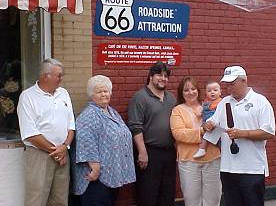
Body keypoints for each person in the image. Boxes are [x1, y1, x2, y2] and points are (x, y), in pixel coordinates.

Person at [204, 65, 276, 206]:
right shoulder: (224, 102)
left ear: (244, 80)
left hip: (252, 168)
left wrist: (243, 133)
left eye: (232, 84)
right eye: (227, 85)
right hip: (228, 168)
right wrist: (208, 125)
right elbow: (212, 123)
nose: (229, 89)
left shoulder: (260, 102)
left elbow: (269, 132)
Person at [17, 58, 75, 206]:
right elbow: (30, 134)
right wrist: (57, 151)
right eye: (59, 75)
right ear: (45, 76)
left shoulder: (64, 93)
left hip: (63, 152)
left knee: (60, 199)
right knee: (36, 199)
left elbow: (71, 125)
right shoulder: (27, 97)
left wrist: (64, 146)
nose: (61, 79)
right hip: (40, 155)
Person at [70, 75, 136, 206]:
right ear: (91, 95)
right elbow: (86, 142)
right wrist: (95, 167)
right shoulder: (88, 115)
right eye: (99, 91)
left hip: (110, 175)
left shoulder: (112, 112)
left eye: (106, 91)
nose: (103, 94)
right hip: (95, 177)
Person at [128, 61, 177, 206]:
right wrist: (142, 152)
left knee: (167, 194)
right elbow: (135, 127)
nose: (163, 78)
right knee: (148, 194)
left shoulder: (171, 98)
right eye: (159, 75)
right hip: (149, 152)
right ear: (151, 76)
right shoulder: (140, 97)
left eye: (166, 76)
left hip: (168, 152)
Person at [170, 76, 222, 206]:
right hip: (189, 161)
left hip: (213, 158)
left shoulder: (210, 106)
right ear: (181, 93)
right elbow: (179, 133)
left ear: (198, 90)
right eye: (186, 90)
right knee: (192, 200)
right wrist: (202, 131)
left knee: (213, 199)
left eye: (193, 89)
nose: (191, 92)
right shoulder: (178, 110)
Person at [193, 81, 222, 158]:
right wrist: (199, 113)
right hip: (206, 121)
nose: (212, 92)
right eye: (209, 91)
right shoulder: (205, 102)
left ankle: (203, 149)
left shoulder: (221, 102)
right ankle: (202, 149)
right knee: (204, 135)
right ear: (206, 92)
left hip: (215, 121)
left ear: (220, 92)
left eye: (215, 90)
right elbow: (202, 111)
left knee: (219, 138)